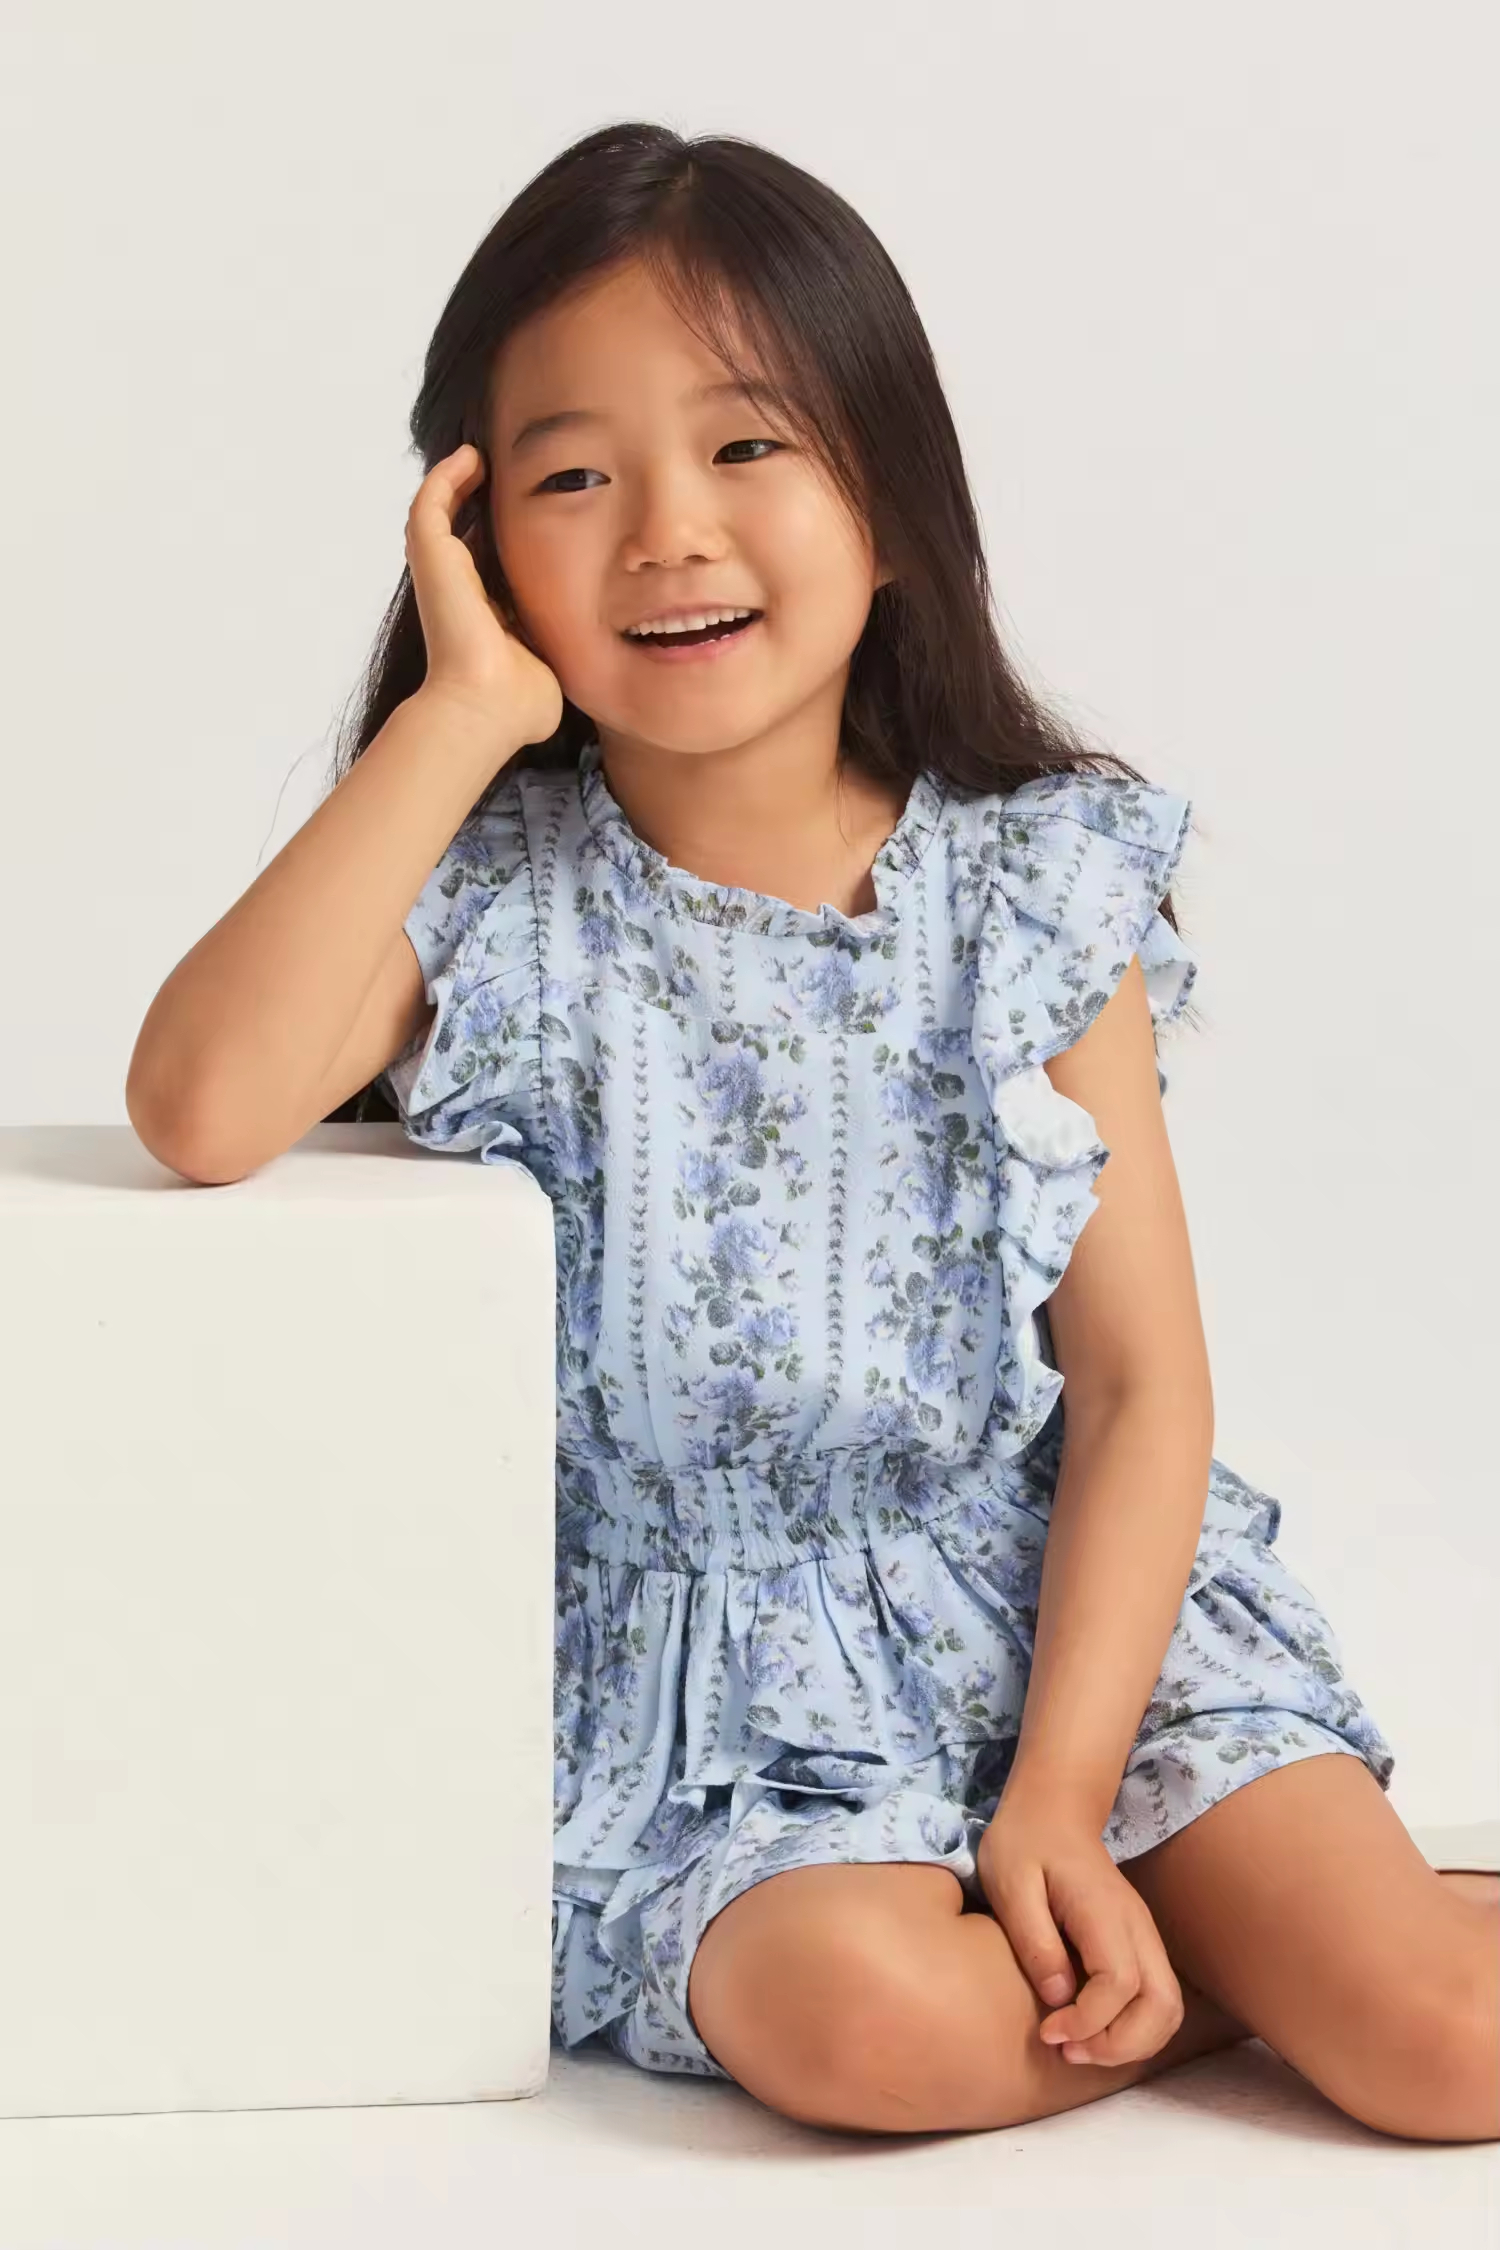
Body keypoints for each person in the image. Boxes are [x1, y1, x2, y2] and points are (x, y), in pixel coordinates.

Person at [126, 121, 1498, 2144]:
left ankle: (1277, 1927)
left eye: (747, 444)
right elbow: (200, 1105)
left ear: (893, 501)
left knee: (1449, 2050)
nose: (667, 531)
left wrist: (1060, 1799)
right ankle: (1225, 1973)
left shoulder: (1033, 888)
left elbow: (1138, 1391)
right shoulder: (486, 898)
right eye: (573, 478)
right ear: (477, 542)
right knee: (870, 2029)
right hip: (712, 1711)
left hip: (1070, 1624)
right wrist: (457, 714)